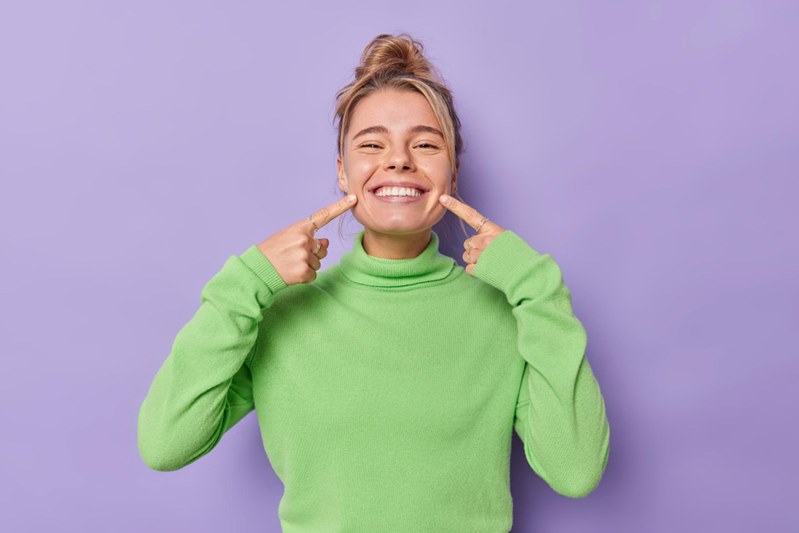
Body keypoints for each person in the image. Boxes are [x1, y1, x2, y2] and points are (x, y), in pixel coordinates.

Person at [137, 32, 610, 532]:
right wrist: (245, 281)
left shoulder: (508, 312)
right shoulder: (278, 313)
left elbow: (575, 472)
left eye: (426, 144)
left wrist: (539, 289)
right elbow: (166, 444)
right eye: (371, 144)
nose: (399, 159)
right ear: (344, 172)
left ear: (452, 173)